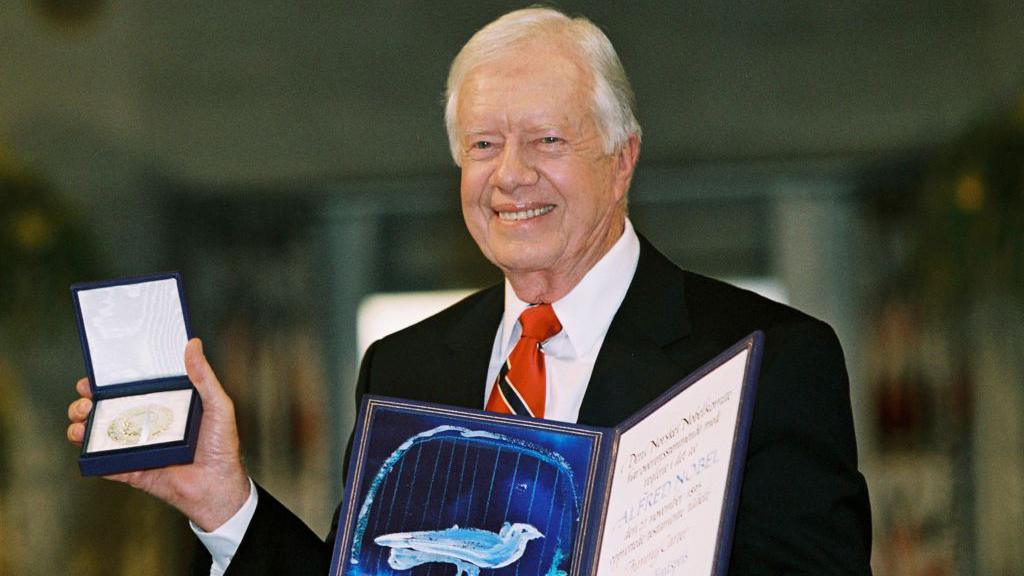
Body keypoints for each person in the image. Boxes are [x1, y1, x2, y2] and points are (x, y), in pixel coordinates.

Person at [66, 7, 872, 575]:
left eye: (547, 139)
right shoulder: (405, 366)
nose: (511, 174)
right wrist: (225, 504)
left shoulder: (764, 359)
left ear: (622, 159)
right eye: (484, 144)